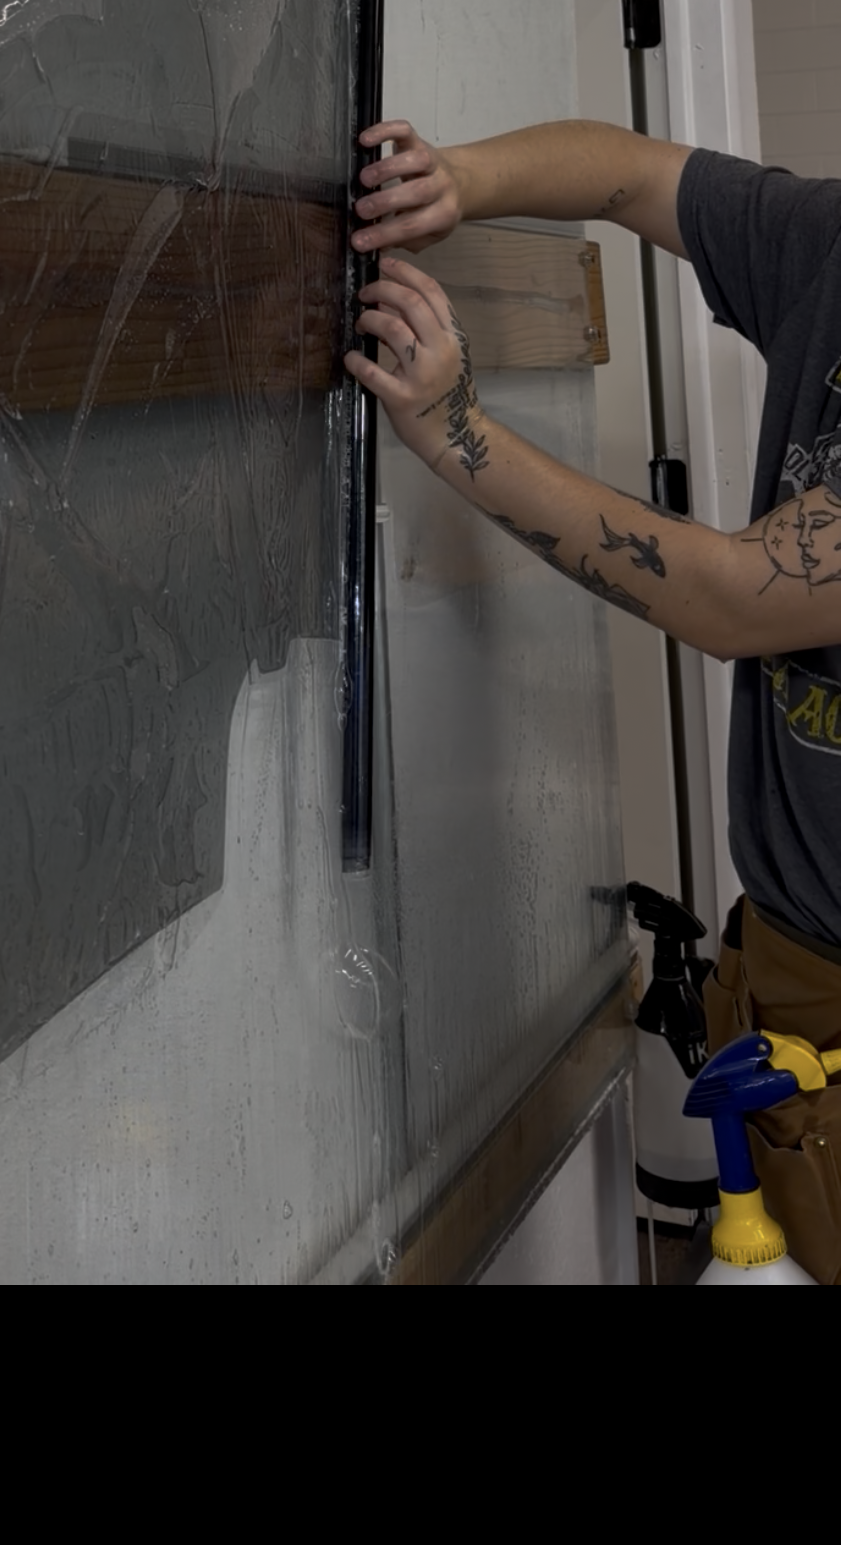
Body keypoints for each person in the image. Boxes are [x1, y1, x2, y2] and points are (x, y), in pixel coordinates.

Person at [346, 114, 841, 1282]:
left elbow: (730, 597)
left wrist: (456, 429)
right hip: (785, 963)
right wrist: (455, 181)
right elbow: (628, 176)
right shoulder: (826, 242)